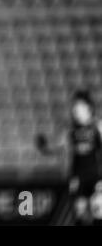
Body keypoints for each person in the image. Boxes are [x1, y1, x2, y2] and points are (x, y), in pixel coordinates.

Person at [36, 90, 102, 225]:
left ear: (88, 107)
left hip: (97, 176)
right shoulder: (69, 129)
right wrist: (44, 147)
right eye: (74, 107)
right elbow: (56, 148)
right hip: (77, 176)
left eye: (78, 107)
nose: (75, 110)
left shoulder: (97, 126)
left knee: (98, 209)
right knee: (81, 213)